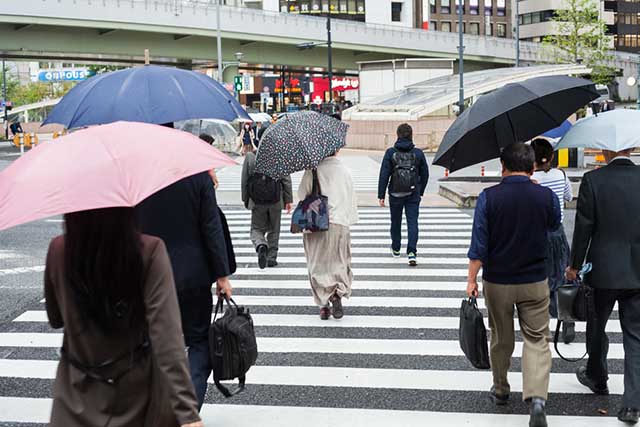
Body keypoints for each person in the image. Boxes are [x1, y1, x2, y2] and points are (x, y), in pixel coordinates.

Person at [44, 207, 202, 427]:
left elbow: (55, 318)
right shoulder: (149, 251)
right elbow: (166, 336)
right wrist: (187, 412)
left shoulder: (58, 250)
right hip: (134, 397)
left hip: (74, 397)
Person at [467, 143, 561, 427]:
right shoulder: (545, 196)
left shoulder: (489, 197)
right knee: (536, 339)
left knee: (501, 336)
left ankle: (500, 388)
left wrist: (471, 279)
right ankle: (537, 399)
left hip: (498, 281)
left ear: (502, 167)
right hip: (534, 279)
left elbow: (479, 245)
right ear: (533, 167)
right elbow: (555, 225)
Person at [136, 170, 233, 410]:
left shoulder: (139, 176)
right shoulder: (198, 176)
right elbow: (212, 227)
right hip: (193, 274)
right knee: (199, 341)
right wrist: (222, 276)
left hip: (150, 273)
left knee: (153, 340)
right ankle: (187, 411)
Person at [566, 149, 640, 425]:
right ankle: (632, 405)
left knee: (596, 326)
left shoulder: (593, 180)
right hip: (638, 272)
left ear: (607, 151)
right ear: (631, 150)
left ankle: (597, 377)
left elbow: (584, 227)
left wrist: (574, 265)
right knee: (635, 336)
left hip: (603, 268)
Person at [298, 151, 358, 320]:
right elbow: (350, 198)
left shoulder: (313, 169)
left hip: (317, 224)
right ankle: (337, 294)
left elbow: (303, 195)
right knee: (339, 261)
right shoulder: (345, 171)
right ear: (336, 150)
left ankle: (323, 305)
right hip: (339, 223)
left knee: (317, 263)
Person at [530, 139, 575, 344]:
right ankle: (566, 319)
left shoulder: (530, 179)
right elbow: (569, 196)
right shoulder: (561, 175)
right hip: (558, 233)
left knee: (541, 277)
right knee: (562, 274)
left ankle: (545, 320)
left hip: (537, 234)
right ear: (552, 157)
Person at [378, 123, 429, 266]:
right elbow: (425, 174)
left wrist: (381, 195)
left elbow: (384, 174)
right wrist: (421, 191)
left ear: (398, 135)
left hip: (395, 193)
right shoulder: (418, 153)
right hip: (413, 193)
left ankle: (396, 248)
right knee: (412, 222)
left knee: (395, 221)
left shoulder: (390, 153)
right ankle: (412, 252)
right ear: (411, 135)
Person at [241, 140, 293, 268]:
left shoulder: (250, 157)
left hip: (257, 200)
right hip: (276, 200)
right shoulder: (279, 155)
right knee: (274, 229)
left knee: (256, 228)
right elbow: (286, 180)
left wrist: (246, 199)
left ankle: (260, 244)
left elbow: (245, 180)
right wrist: (288, 200)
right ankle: (271, 258)